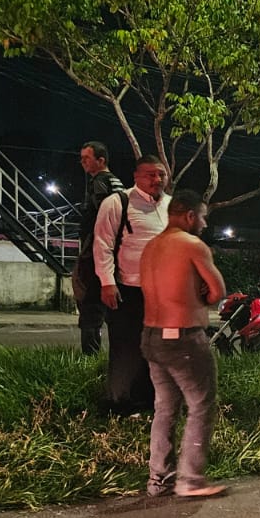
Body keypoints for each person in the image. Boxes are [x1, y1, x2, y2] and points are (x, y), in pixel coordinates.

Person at [138, 189, 227, 498]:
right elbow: (217, 291)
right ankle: (190, 480)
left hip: (151, 336)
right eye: (201, 217)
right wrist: (199, 295)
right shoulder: (192, 245)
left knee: (164, 408)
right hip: (183, 339)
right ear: (190, 216)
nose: (203, 223)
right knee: (201, 404)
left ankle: (158, 481)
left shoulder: (151, 247)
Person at [93, 154, 171, 413]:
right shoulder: (118, 203)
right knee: (127, 349)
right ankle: (120, 404)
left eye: (160, 174)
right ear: (136, 176)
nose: (156, 179)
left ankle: (150, 403)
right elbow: (102, 245)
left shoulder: (173, 206)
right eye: (150, 174)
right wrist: (106, 282)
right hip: (128, 289)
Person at [72, 141, 123, 355]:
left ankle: (90, 359)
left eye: (87, 158)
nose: (82, 162)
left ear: (101, 160)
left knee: (89, 306)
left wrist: (90, 248)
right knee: (111, 311)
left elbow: (103, 219)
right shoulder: (117, 183)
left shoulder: (100, 182)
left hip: (96, 254)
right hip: (113, 253)